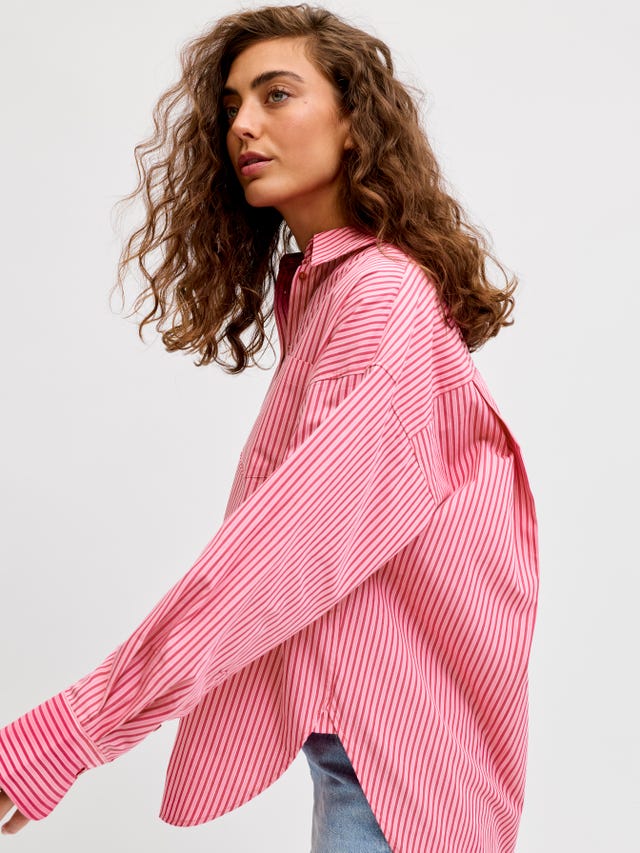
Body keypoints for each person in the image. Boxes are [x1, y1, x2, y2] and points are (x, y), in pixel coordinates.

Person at [0, 4, 539, 851]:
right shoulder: (331, 293)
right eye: (231, 106)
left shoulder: (379, 299)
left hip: (397, 782)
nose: (243, 125)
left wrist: (71, 731)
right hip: (379, 763)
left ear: (355, 122)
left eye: (276, 94)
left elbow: (279, 554)